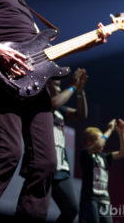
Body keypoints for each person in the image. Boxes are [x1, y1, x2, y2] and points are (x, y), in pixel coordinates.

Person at [0, 0, 110, 221]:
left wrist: (93, 41)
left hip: (36, 84)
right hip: (5, 77)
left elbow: (46, 52)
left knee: (45, 163)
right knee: (8, 154)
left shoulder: (23, 6)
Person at [46, 67, 88, 223]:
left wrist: (80, 92)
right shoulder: (41, 102)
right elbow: (54, 102)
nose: (59, 82)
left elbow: (81, 114)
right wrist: (73, 87)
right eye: (55, 81)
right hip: (43, 164)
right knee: (36, 209)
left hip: (61, 168)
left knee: (71, 210)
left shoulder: (60, 111)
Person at [79, 118, 124, 223]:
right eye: (100, 138)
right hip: (91, 199)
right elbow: (99, 145)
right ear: (89, 141)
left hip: (104, 199)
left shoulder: (104, 156)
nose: (104, 142)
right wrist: (110, 130)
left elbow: (123, 153)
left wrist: (121, 134)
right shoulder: (85, 153)